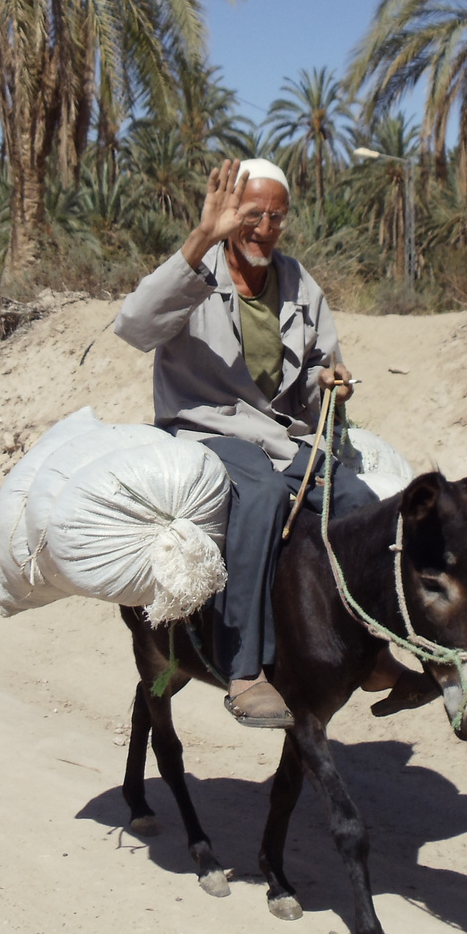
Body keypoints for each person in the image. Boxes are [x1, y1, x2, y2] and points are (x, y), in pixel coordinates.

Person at [115, 157, 437, 727]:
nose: (264, 227)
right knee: (260, 497)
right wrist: (200, 238)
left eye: (276, 216)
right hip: (206, 429)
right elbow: (136, 325)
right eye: (251, 213)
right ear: (230, 213)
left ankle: (370, 654)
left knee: (361, 504)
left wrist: (331, 383)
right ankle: (245, 671)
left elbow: (321, 364)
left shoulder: (298, 284)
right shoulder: (199, 271)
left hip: (284, 437)